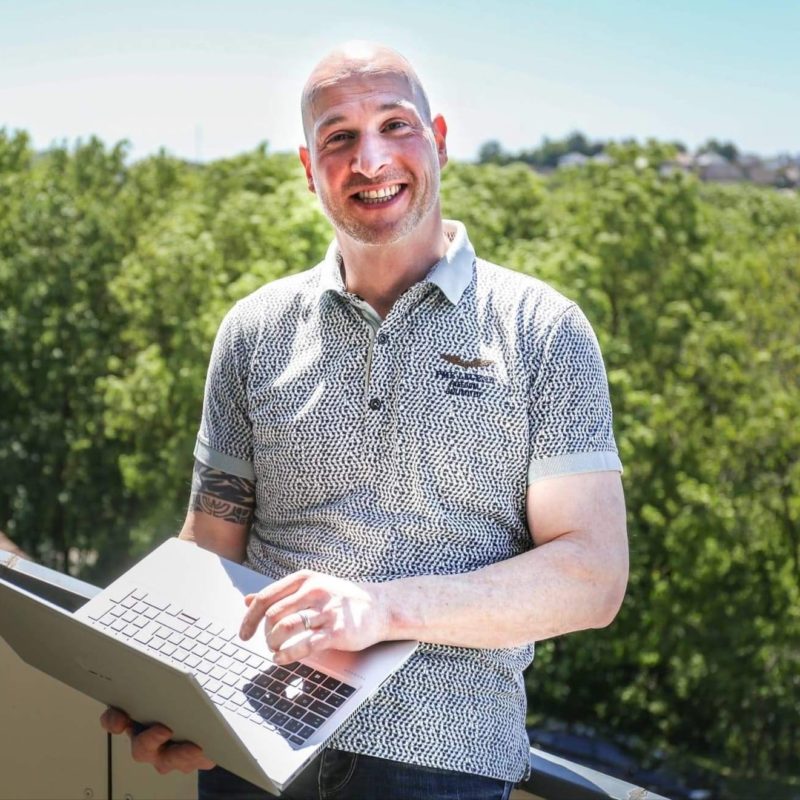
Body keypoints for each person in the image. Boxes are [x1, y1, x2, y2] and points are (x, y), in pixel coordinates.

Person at [101, 41, 629, 800]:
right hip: (252, 740)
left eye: (395, 125)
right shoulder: (253, 331)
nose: (371, 160)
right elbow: (209, 546)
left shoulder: (542, 328)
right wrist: (161, 685)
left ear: (439, 140)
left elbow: (592, 578)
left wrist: (379, 609)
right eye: (339, 138)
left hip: (439, 754)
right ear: (308, 168)